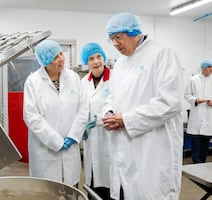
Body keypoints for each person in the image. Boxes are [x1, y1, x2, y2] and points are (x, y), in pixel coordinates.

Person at [101, 12, 184, 199]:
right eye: (111, 39)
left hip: (154, 147)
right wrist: (109, 112)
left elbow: (170, 102)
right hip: (125, 145)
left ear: (134, 32)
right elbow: (112, 97)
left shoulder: (162, 54)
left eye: (118, 37)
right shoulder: (120, 64)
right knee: (126, 189)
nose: (115, 44)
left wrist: (126, 119)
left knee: (150, 192)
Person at [23, 39, 88, 186]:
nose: (61, 59)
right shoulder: (33, 81)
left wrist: (73, 135)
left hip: (71, 147)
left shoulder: (73, 77)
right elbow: (31, 116)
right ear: (45, 61)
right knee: (47, 191)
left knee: (71, 188)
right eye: (55, 57)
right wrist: (56, 141)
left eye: (60, 54)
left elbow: (83, 108)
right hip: (45, 150)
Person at [80, 42, 112, 199]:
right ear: (87, 62)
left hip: (110, 136)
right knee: (93, 180)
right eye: (91, 58)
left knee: (110, 181)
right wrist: (81, 128)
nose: (96, 61)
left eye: (99, 56)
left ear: (104, 58)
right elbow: (80, 108)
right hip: (90, 137)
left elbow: (117, 106)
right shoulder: (83, 82)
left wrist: (98, 120)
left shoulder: (115, 78)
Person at [184, 59, 212, 163]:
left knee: (205, 147)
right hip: (196, 118)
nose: (211, 70)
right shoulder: (193, 80)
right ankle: (196, 165)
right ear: (204, 68)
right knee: (196, 146)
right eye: (210, 68)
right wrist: (195, 100)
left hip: (209, 118)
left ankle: (202, 165)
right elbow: (186, 95)